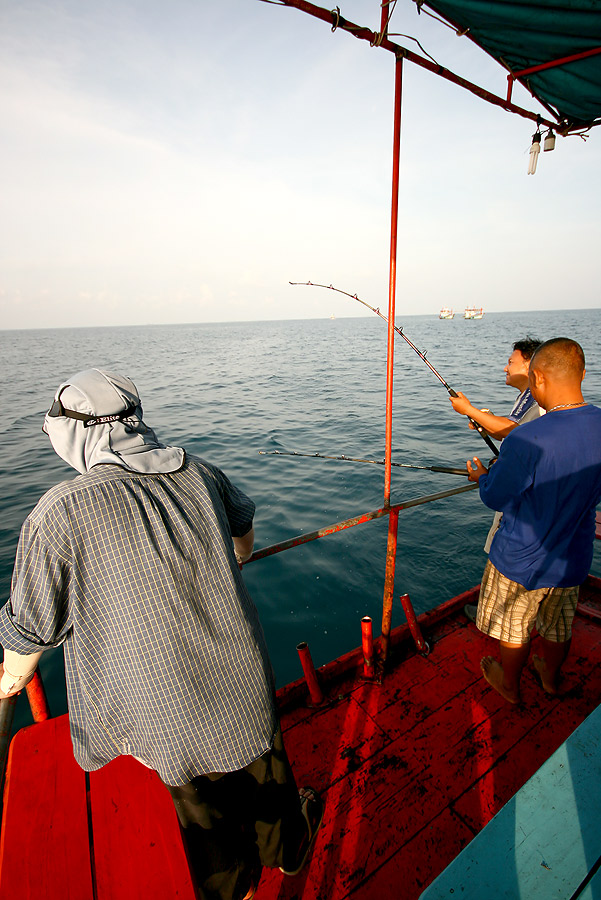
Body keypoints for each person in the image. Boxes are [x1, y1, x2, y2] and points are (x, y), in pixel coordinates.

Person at [0, 368, 323, 900]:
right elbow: (243, 527)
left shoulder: (57, 512)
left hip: (165, 706)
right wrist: (236, 557)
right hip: (240, 676)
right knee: (268, 771)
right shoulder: (199, 470)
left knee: (202, 812)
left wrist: (12, 678)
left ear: (81, 433)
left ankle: (237, 885)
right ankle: (289, 851)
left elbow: (29, 632)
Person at [464, 338, 601, 705]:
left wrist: (481, 477)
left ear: (537, 378)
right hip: (573, 557)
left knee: (514, 627)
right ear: (582, 374)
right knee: (558, 626)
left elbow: (496, 495)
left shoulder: (527, 438)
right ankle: (551, 679)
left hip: (522, 560)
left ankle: (510, 685)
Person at [450, 337, 543, 621]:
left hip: (522, 504)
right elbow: (513, 430)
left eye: (511, 361)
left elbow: (513, 431)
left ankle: (494, 618)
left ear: (530, 365)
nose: (505, 367)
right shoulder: (529, 397)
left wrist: (470, 410)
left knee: (503, 553)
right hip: (533, 498)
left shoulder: (536, 399)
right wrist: (486, 422)